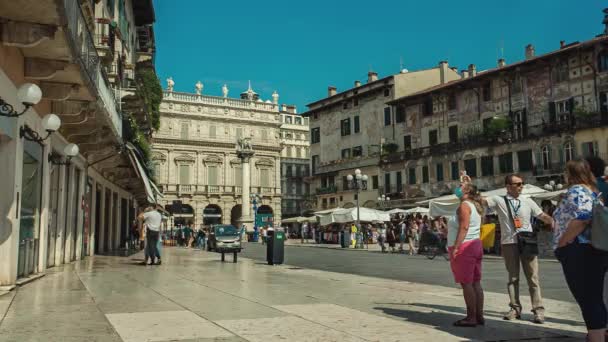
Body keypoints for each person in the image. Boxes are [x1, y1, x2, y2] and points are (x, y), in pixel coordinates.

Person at [466, 173, 553, 323]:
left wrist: (552, 221)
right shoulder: (499, 200)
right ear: (508, 186)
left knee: (533, 278)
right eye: (517, 184)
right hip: (509, 243)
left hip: (527, 242)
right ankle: (515, 308)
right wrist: (470, 186)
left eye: (522, 183)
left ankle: (538, 310)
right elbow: (480, 200)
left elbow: (542, 216)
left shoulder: (528, 201)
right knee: (513, 278)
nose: (521, 186)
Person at [553, 159, 608, 341]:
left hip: (579, 249)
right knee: (593, 297)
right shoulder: (593, 191)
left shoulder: (577, 190)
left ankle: (596, 336)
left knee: (588, 299)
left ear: (570, 173)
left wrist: (562, 242)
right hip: (590, 249)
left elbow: (583, 218)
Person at [448, 182, 485, 327]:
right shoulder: (475, 206)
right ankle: (479, 315)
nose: (457, 188)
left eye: (460, 186)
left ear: (467, 190)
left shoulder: (464, 206)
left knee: (466, 283)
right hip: (475, 244)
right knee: (476, 283)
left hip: (465, 247)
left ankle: (471, 317)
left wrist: (456, 247)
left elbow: (464, 226)